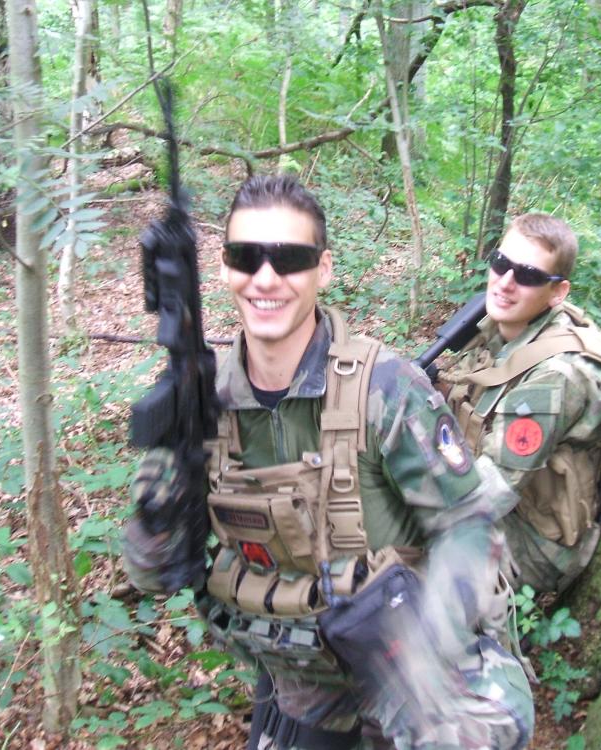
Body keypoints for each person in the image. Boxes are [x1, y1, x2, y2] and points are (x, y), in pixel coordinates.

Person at [123, 174, 534, 750]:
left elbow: (470, 525)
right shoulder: (202, 403)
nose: (266, 278)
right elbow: (151, 573)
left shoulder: (384, 390)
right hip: (301, 671)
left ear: (323, 269)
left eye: (290, 258)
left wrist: (426, 647)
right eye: (247, 256)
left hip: (405, 656)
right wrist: (161, 503)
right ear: (224, 268)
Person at [438, 213, 601, 599]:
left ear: (557, 292)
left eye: (528, 275)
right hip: (504, 502)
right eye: (500, 263)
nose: (506, 282)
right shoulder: (502, 326)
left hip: (532, 544)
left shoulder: (559, 375)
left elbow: (486, 494)